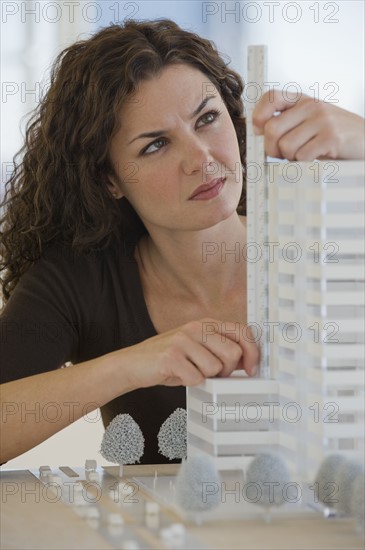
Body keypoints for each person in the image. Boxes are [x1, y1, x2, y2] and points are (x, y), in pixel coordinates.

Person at [0, 19, 363, 465]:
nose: (201, 159)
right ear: (109, 179)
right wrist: (133, 365)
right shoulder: (79, 280)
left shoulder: (326, 239)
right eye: (155, 146)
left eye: (207, 119)